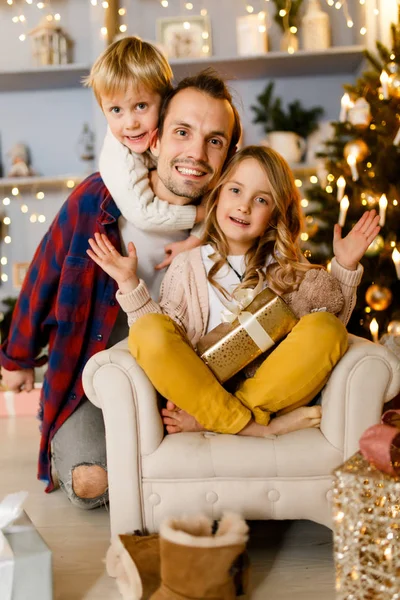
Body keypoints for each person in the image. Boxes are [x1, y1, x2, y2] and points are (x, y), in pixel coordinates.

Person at [0, 69, 241, 508]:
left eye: (215, 140)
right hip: (94, 372)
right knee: (92, 482)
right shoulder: (98, 200)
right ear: (155, 139)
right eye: (182, 132)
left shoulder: (231, 223)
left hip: (180, 381)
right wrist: (16, 359)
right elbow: (42, 275)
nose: (196, 153)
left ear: (227, 156)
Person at [87, 145, 381, 437]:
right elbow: (165, 340)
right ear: (217, 195)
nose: (244, 206)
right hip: (203, 386)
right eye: (236, 191)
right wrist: (129, 283)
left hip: (268, 390)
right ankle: (250, 425)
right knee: (146, 330)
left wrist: (345, 264)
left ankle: (223, 418)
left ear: (276, 212)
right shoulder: (187, 265)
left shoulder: (286, 268)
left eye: (261, 199)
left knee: (326, 327)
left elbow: (330, 331)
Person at [85, 37, 207, 270]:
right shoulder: (118, 156)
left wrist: (197, 238)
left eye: (141, 106)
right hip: (135, 257)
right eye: (116, 110)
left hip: (183, 251)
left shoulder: (179, 135)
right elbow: (143, 214)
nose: (130, 123)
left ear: (165, 102)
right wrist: (201, 213)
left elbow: (218, 192)